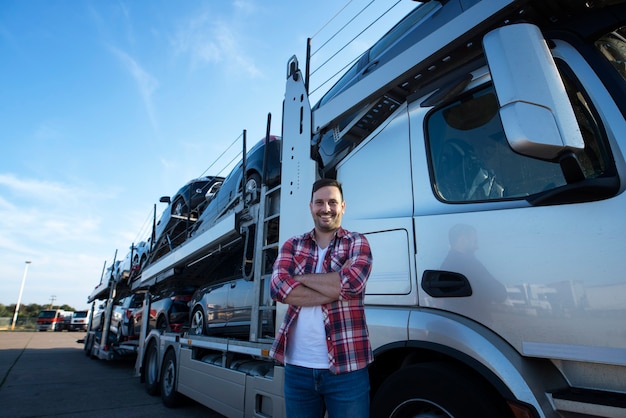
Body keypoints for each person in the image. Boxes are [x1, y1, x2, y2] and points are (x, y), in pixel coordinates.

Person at [270, 178, 373, 418]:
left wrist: (298, 277)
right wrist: (334, 283)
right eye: (319, 202)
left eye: (332, 202)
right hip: (298, 369)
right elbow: (277, 288)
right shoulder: (293, 245)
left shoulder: (357, 242)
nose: (325, 208)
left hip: (348, 368)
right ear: (310, 206)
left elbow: (352, 285)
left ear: (343, 206)